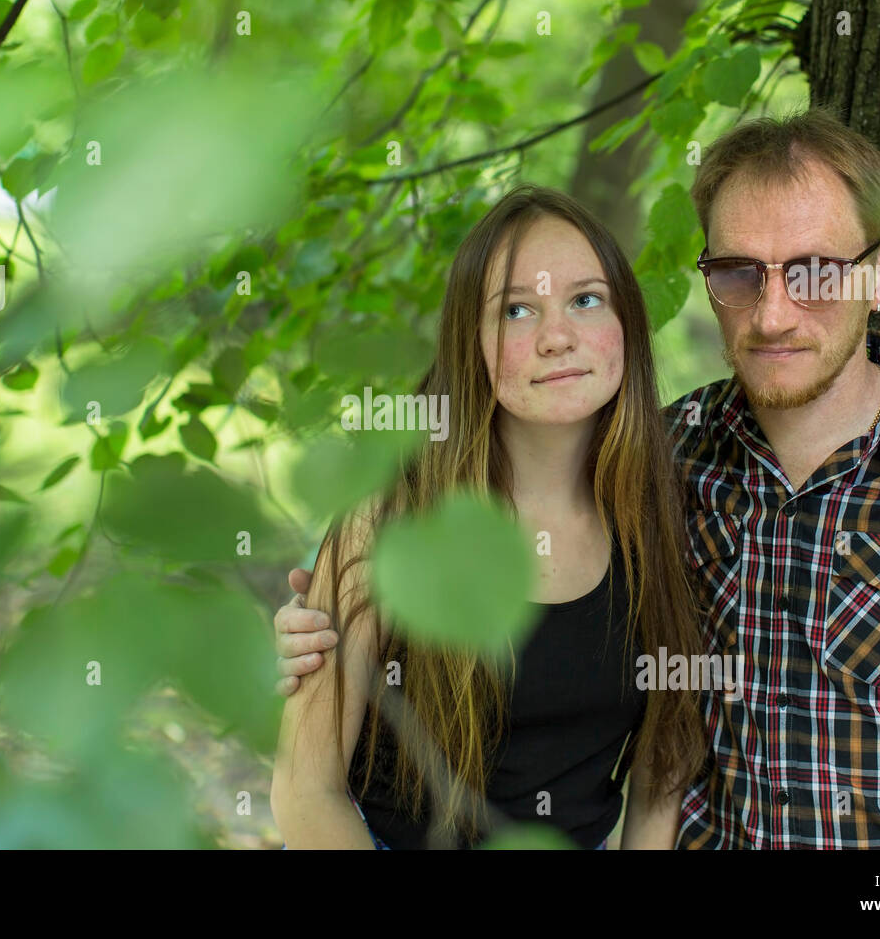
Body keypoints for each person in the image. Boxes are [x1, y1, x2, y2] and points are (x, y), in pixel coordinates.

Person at [276, 108, 880, 848]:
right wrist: (314, 627)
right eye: (740, 273)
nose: (773, 314)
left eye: (814, 273)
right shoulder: (670, 463)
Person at [269, 184, 708, 849]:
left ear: (627, 322)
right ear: (468, 342)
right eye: (516, 312)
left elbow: (661, 772)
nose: (558, 337)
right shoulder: (391, 515)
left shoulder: (659, 511)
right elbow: (306, 791)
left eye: (585, 300)